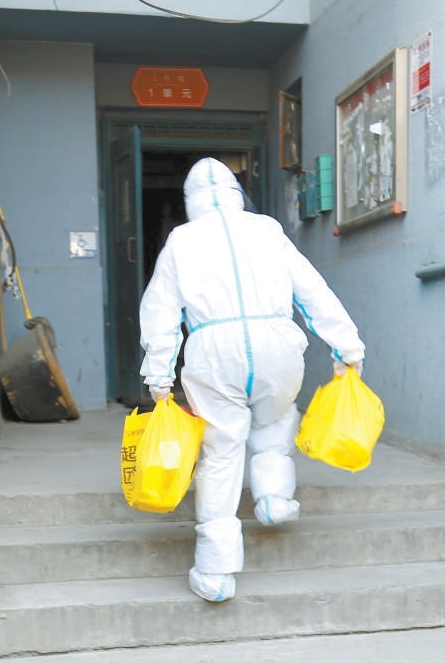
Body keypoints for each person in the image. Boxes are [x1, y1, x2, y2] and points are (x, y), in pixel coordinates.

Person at [139, 157, 365, 602]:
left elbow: (160, 311)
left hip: (213, 351)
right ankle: (274, 498)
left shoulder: (181, 241)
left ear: (191, 201)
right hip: (277, 344)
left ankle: (216, 571)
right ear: (235, 194)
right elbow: (313, 291)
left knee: (221, 453)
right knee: (274, 420)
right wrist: (347, 347)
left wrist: (159, 373)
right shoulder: (267, 230)